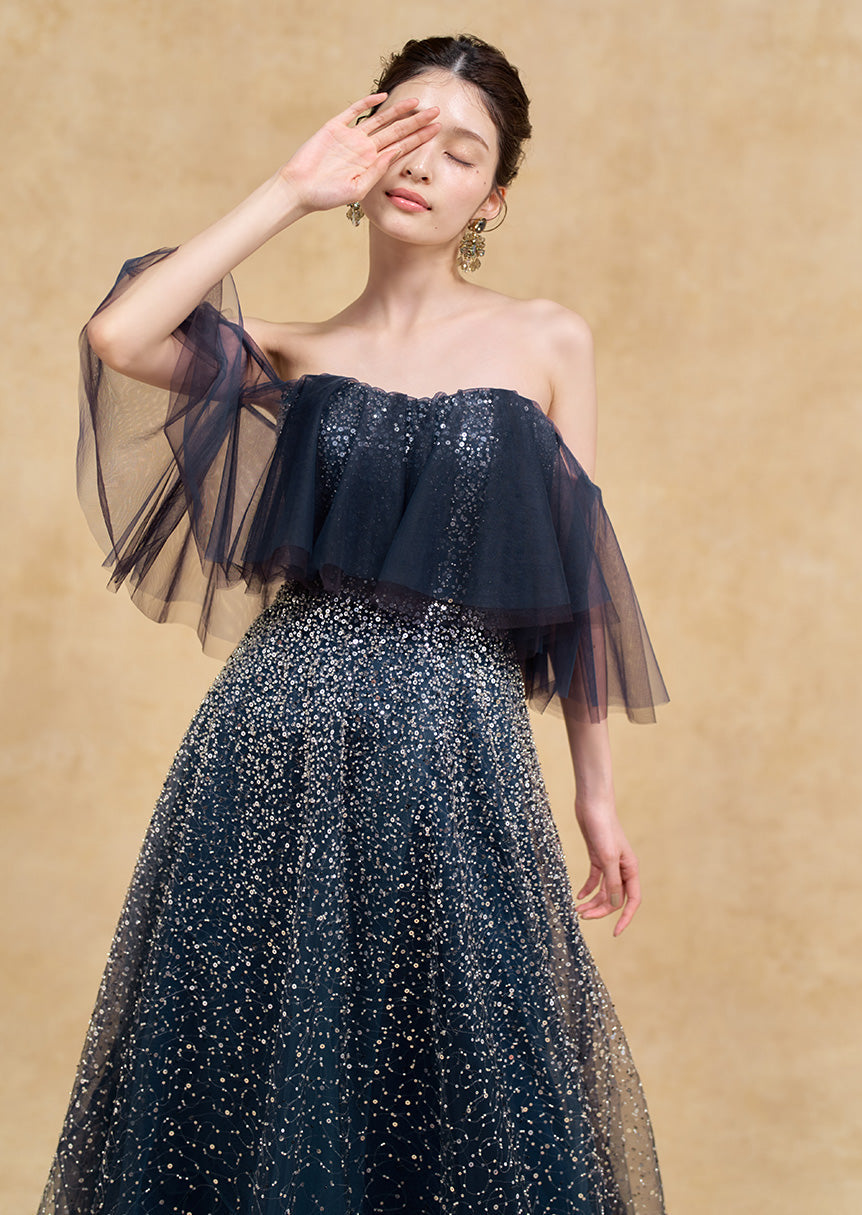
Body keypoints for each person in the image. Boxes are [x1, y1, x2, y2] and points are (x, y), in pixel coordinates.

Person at [39, 33, 668, 1215]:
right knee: (251, 1072)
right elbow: (119, 337)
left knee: (461, 1081)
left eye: (461, 152)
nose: (422, 165)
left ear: (493, 198)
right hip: (274, 741)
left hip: (455, 748)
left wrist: (596, 793)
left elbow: (576, 570)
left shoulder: (547, 340)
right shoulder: (293, 352)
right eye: (403, 134)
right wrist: (289, 189)